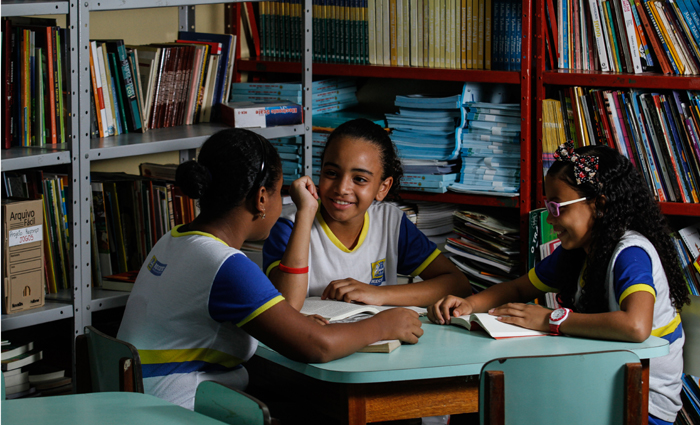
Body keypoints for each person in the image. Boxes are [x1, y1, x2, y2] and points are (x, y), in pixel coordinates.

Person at [116, 128, 423, 410]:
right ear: (262, 198)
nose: (280, 204)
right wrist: (384, 325)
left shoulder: (174, 240)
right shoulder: (226, 266)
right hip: (175, 412)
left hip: (138, 407)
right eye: (279, 192)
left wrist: (289, 321)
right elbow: (318, 346)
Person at [428, 142, 690, 425]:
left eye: (556, 207)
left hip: (641, 404)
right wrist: (469, 304)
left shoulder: (630, 253)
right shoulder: (579, 252)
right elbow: (518, 288)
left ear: (599, 204)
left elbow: (636, 326)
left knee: (492, 404)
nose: (550, 219)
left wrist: (551, 320)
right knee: (481, 404)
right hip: (602, 381)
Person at [262, 118, 472, 311]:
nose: (342, 188)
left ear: (383, 187)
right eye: (331, 173)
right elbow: (286, 307)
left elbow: (457, 284)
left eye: (360, 179)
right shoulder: (289, 226)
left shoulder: (390, 223)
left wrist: (377, 294)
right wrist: (306, 214)